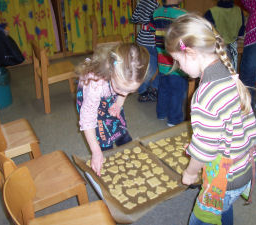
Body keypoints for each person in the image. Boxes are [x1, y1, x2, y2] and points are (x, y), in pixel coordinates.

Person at [164, 13, 256, 225]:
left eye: (177, 60)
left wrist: (190, 172)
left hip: (224, 180)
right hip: (243, 166)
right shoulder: (227, 72)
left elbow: (205, 150)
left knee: (200, 219)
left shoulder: (205, 95)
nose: (178, 67)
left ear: (191, 52)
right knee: (223, 210)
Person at [76, 43, 149, 176]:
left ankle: (124, 142)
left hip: (109, 95)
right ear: (111, 70)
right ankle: (104, 154)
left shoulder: (127, 78)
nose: (125, 94)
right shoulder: (95, 84)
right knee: (102, 138)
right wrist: (96, 151)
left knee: (117, 122)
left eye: (131, 91)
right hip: (92, 103)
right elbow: (88, 119)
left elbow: (123, 91)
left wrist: (119, 104)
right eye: (121, 89)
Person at [149, 0, 188, 127]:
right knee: (177, 91)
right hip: (177, 62)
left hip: (162, 58)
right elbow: (187, 36)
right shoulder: (182, 14)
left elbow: (151, 29)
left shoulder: (156, 13)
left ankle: (161, 113)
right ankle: (174, 119)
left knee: (164, 88)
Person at [203, 0, 245, 71]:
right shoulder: (239, 11)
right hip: (233, 48)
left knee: (217, 72)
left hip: (216, 48)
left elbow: (205, 32)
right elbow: (241, 32)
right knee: (231, 71)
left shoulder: (211, 12)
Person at [131, 0, 160, 102]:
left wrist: (143, 21)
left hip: (142, 40)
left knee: (146, 67)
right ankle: (152, 88)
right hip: (152, 41)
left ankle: (143, 91)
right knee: (160, 67)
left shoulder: (141, 2)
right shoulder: (156, 4)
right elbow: (158, 22)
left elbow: (134, 19)